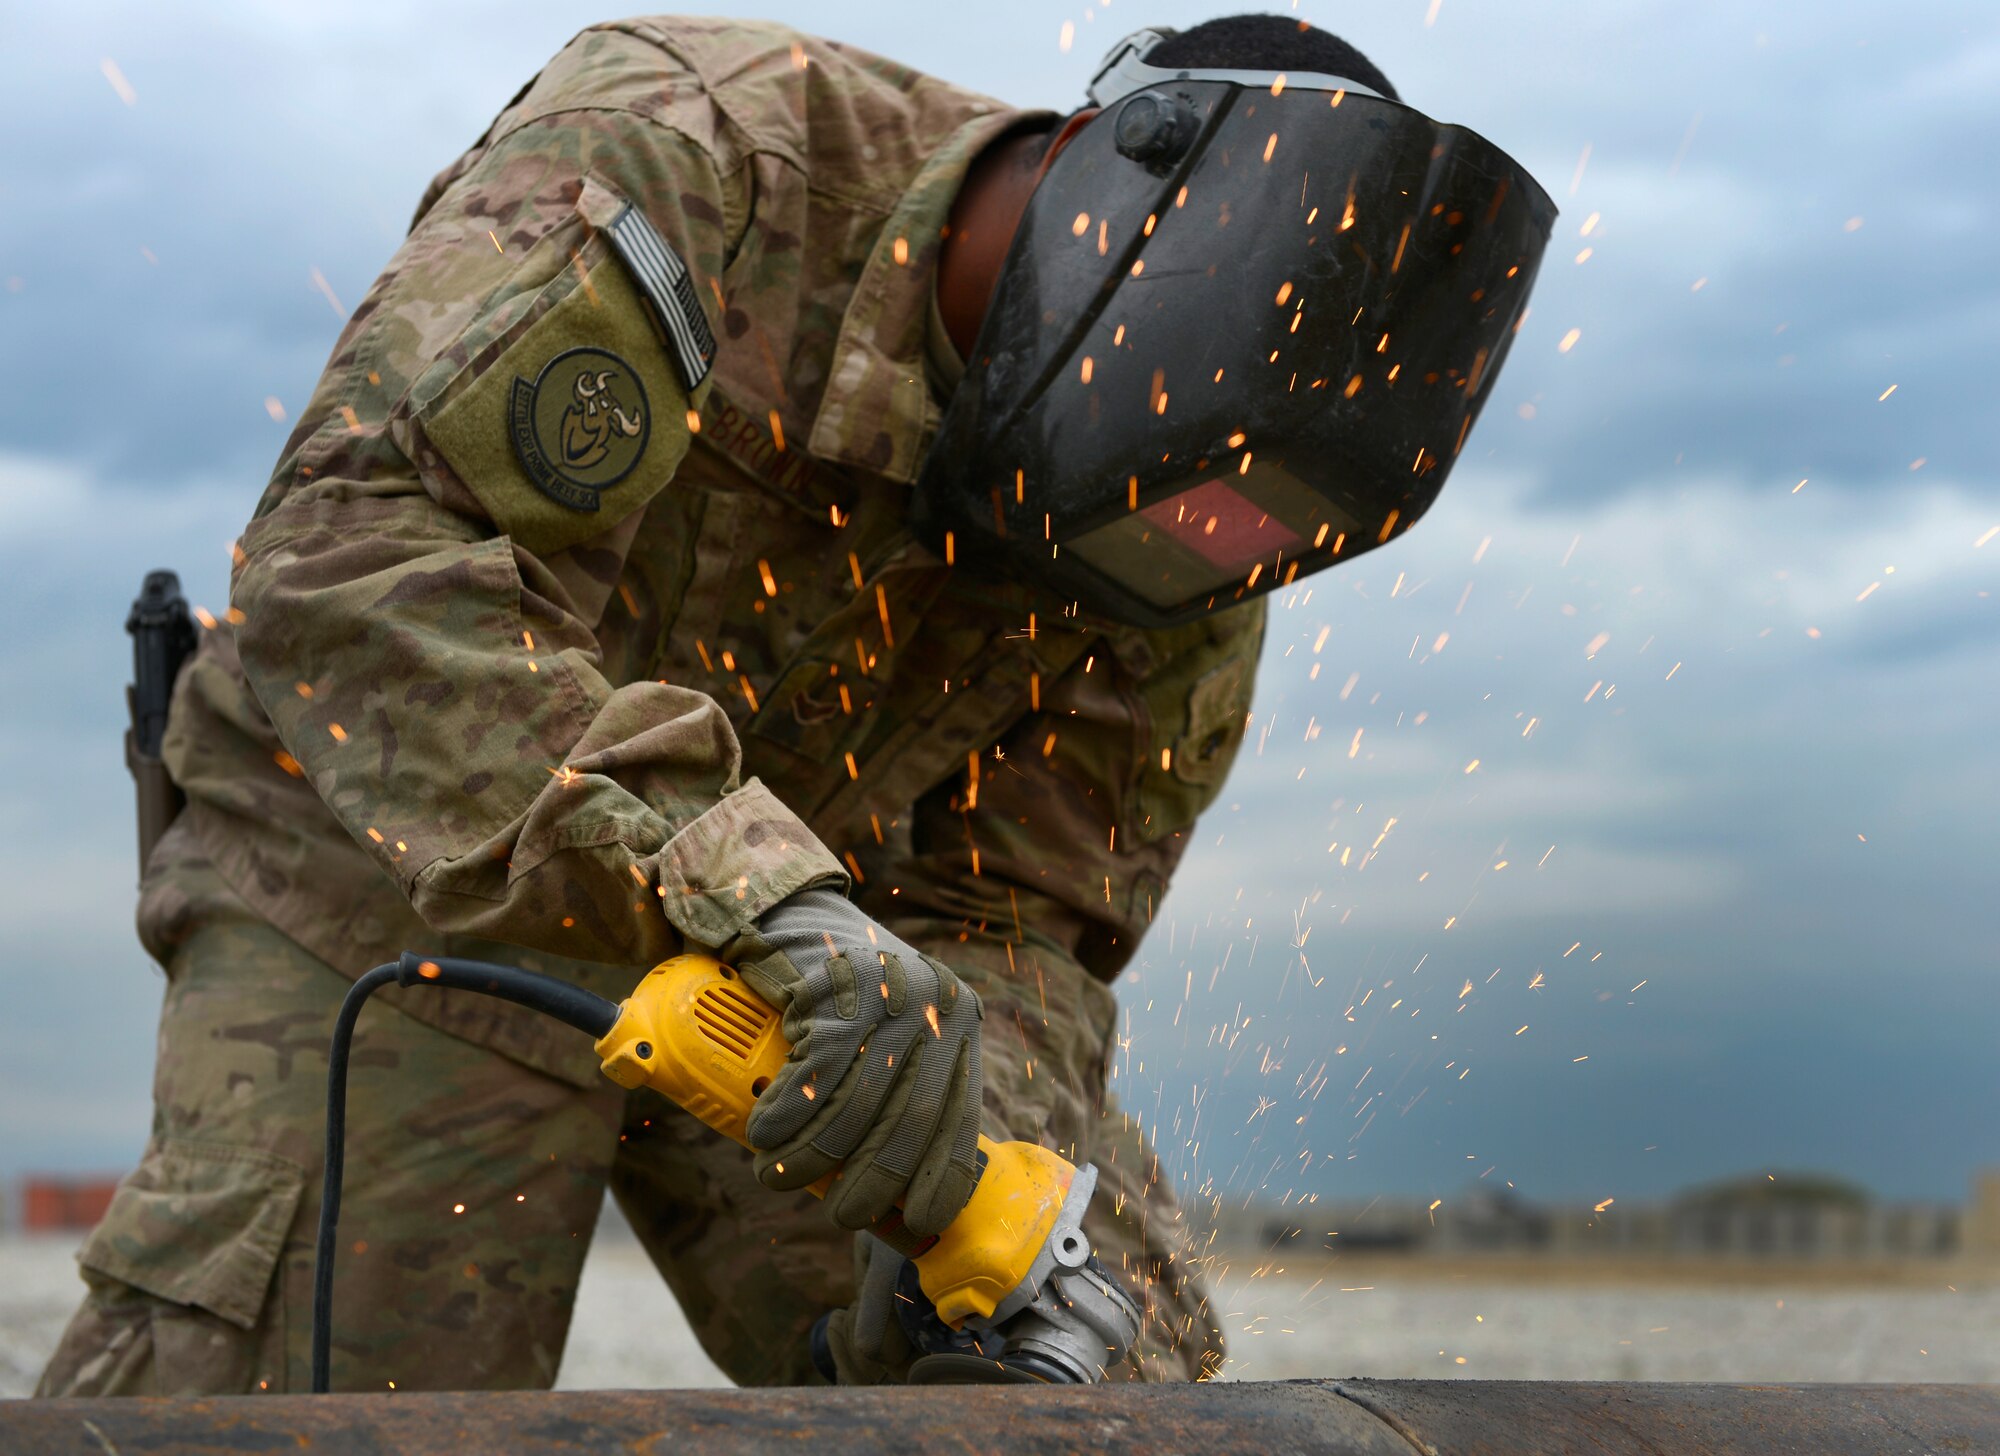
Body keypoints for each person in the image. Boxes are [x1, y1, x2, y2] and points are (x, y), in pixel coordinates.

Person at [41, 12, 1550, 1395]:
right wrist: (750, 888)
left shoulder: (1204, 504)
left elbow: (1012, 912)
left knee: (1099, 1352)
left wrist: (965, 1174)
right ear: (1104, 193)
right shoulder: (698, 148)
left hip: (820, 972)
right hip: (383, 875)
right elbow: (355, 558)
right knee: (333, 1403)